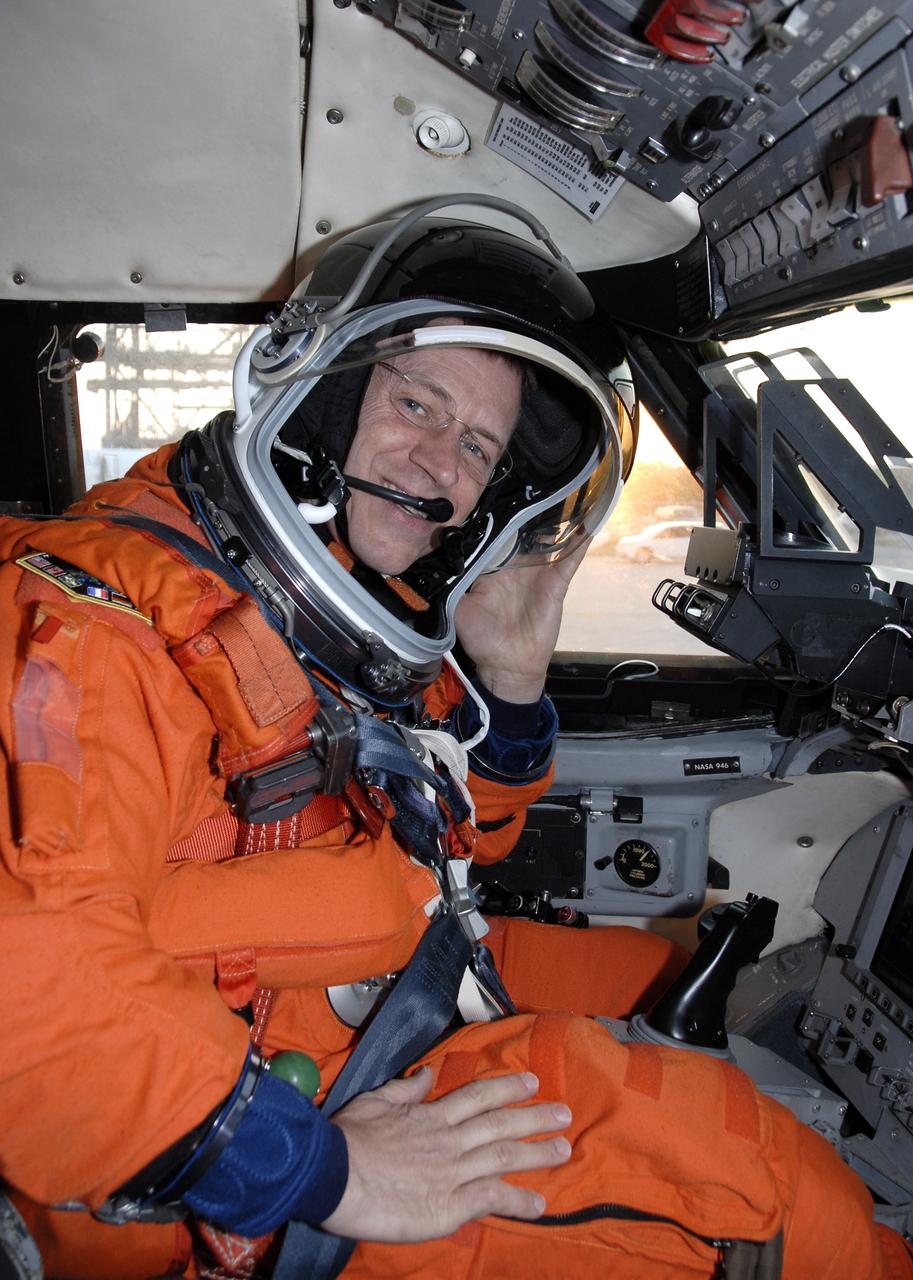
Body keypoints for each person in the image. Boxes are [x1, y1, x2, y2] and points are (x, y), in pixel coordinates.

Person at [0, 198, 909, 1280]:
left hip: (372, 996)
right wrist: (330, 1172)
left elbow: (451, 843)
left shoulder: (329, 596)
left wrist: (514, 678)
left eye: (476, 443)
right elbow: (33, 973)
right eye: (417, 402)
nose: (440, 462)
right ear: (325, 396)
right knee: (772, 1192)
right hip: (230, 1151)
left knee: (655, 968)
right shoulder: (87, 623)